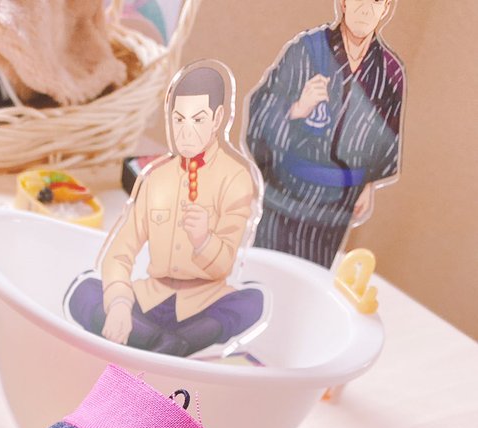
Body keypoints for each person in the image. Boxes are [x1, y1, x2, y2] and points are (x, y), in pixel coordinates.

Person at [68, 62, 264, 358]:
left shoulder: (235, 178)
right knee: (84, 291)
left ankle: (157, 343)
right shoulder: (156, 178)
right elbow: (119, 253)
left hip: (203, 304)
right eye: (178, 119)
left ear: (217, 119)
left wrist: (204, 240)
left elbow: (224, 264)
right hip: (148, 299)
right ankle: (170, 346)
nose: (186, 132)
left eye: (198, 120)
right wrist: (119, 304)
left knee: (253, 302)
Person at [244, 0, 405, 269]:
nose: (366, 8)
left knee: (312, 274)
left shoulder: (390, 71)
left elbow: (386, 136)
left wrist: (368, 184)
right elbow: (262, 109)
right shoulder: (306, 49)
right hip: (286, 192)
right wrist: (297, 108)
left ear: (386, 8)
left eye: (376, 0)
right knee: (265, 270)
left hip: (336, 207)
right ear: (343, 2)